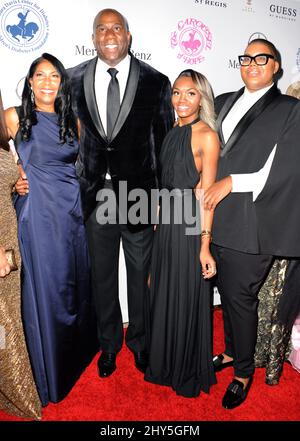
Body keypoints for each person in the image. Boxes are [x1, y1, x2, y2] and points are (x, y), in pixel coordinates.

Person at [68, 8, 174, 378]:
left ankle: (141, 344)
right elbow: (66, 139)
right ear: (94, 37)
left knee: (140, 275)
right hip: (96, 194)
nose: (109, 34)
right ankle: (109, 345)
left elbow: (163, 144)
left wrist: (163, 198)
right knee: (102, 276)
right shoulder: (72, 78)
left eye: (117, 28)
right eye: (102, 29)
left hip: (140, 194)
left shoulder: (156, 82)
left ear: (128, 36)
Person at [203, 38, 300, 409]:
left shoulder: (290, 109)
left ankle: (243, 372)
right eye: (247, 57)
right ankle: (230, 351)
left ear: (276, 66)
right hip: (217, 214)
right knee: (226, 294)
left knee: (241, 298)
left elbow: (284, 169)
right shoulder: (224, 100)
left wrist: (232, 182)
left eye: (262, 57)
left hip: (254, 220)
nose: (253, 63)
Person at [5, 53, 98, 406]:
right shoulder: (13, 117)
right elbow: (3, 164)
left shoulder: (72, 121)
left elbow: (80, 170)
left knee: (70, 286)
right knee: (46, 290)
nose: (47, 81)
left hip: (71, 214)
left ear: (62, 83)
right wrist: (13, 180)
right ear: (30, 82)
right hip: (38, 215)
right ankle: (46, 371)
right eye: (39, 75)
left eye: (54, 76)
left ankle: (71, 358)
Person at [145, 69, 219, 397]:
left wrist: (205, 245)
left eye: (190, 93)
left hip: (190, 222)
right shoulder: (172, 129)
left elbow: (207, 194)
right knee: (163, 289)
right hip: (168, 222)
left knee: (186, 293)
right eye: (176, 93)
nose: (181, 100)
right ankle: (164, 363)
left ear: (201, 97)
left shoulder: (206, 135)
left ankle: (185, 367)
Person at [254, 81, 300, 385]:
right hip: (280, 226)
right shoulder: (280, 133)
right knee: (274, 295)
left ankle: (273, 356)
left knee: (285, 297)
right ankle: (266, 355)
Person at [0, 90, 41, 419]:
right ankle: (13, 387)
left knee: (8, 317)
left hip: (11, 234)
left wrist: (15, 183)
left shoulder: (3, 138)